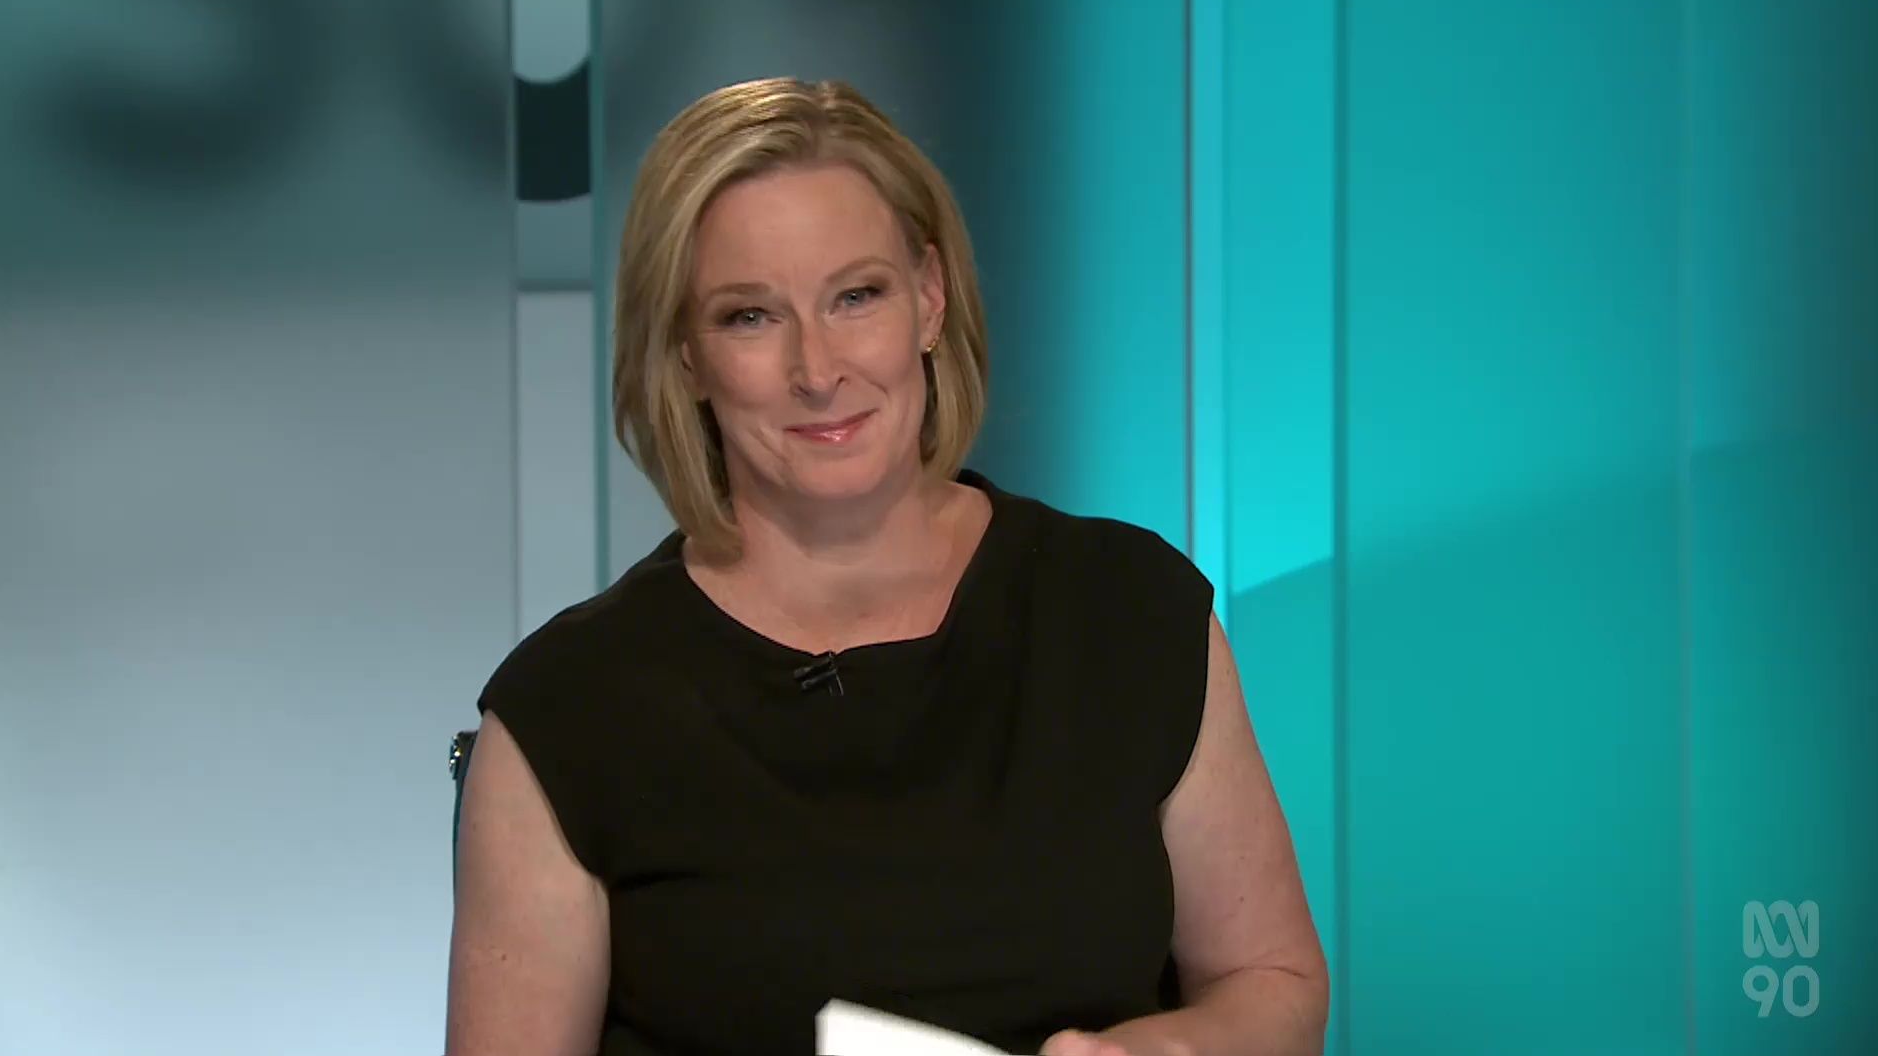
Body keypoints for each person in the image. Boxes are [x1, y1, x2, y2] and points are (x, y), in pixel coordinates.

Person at [446, 77, 1327, 1056]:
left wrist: (1160, 1054)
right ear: (685, 355)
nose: (818, 371)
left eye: (856, 297)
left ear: (930, 300)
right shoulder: (567, 713)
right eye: (750, 316)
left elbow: (1271, 979)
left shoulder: (1131, 612)